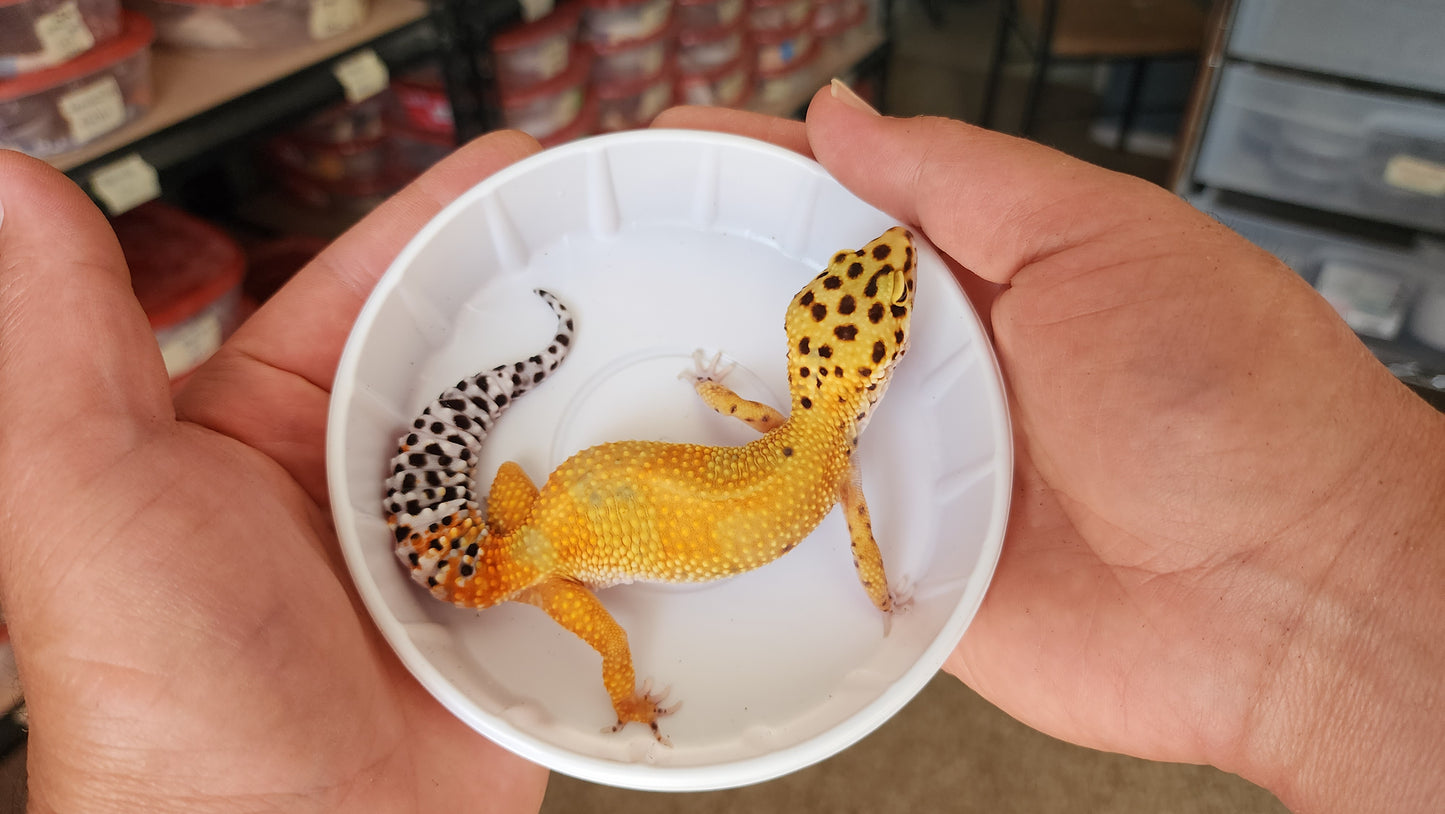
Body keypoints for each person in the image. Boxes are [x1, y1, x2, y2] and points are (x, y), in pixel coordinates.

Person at [0, 82, 1439, 813]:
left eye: (846, 312)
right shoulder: (823, 465)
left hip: (546, 516)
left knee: (526, 524)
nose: (857, 302)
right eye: (853, 307)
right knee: (595, 623)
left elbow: (800, 462)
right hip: (552, 535)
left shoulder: (780, 446)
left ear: (838, 363)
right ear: (857, 377)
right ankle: (586, 636)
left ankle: (513, 478)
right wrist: (859, 593)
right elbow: (860, 529)